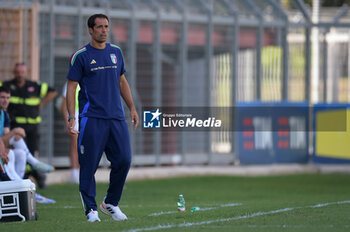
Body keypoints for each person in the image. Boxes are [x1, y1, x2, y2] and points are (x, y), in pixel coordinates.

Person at [66, 14, 139, 222]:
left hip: (116, 117)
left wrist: (132, 107)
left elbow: (122, 81)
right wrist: (72, 116)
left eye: (106, 26)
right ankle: (91, 210)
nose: (104, 30)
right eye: (99, 27)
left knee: (124, 160)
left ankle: (110, 203)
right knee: (89, 166)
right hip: (92, 118)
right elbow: (71, 88)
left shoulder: (116, 52)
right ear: (90, 30)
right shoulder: (80, 56)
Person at [1, 62, 58, 188]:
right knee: (18, 153)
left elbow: (53, 92)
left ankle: (27, 181)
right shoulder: (7, 86)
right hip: (15, 126)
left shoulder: (34, 85)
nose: (20, 75)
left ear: (25, 72)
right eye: (17, 72)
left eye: (22, 72)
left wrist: (41, 105)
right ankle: (29, 176)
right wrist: (13, 132)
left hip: (31, 127)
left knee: (28, 152)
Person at [0, 86, 55, 204]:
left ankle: (22, 187)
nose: (5, 100)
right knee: (13, 146)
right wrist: (15, 132)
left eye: (8, 98)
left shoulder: (4, 114)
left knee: (19, 152)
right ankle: (26, 188)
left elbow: (4, 139)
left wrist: (13, 136)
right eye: (2, 97)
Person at [60, 81, 79, 183]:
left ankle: (81, 171)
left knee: (84, 146)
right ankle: (74, 172)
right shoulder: (70, 83)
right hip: (74, 117)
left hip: (85, 116)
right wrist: (67, 121)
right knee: (74, 145)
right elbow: (63, 105)